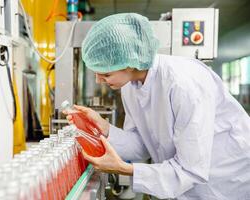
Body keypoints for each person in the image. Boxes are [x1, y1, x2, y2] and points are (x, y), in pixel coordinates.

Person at [65, 13, 250, 199]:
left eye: (104, 73)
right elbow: (142, 144)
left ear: (129, 62)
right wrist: (103, 127)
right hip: (184, 183)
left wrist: (125, 169)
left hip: (224, 184)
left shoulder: (184, 84)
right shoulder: (131, 86)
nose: (98, 80)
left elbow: (191, 170)